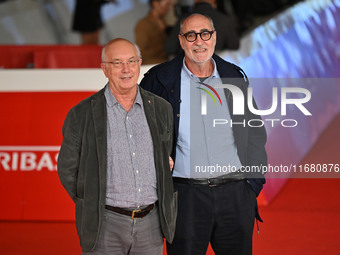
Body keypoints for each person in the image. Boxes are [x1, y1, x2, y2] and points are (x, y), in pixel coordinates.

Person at [140, 14, 267, 255]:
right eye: (191, 35)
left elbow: (255, 133)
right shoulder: (158, 80)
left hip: (235, 194)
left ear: (214, 37)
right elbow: (138, 134)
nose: (199, 41)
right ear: (181, 40)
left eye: (205, 34)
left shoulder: (234, 76)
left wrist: (252, 185)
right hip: (185, 198)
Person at [57, 38, 177, 254]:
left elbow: (165, 155)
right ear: (104, 69)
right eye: (117, 63)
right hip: (104, 226)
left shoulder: (161, 109)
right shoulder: (81, 114)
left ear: (140, 64)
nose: (126, 69)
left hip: (151, 225)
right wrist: (91, 201)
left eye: (131, 61)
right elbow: (67, 169)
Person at [164, 0, 239, 57]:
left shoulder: (183, 20)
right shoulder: (224, 20)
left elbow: (169, 47)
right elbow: (234, 46)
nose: (199, 42)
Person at [135, 0, 173, 65]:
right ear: (155, 3)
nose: (169, 8)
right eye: (167, 4)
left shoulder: (164, 22)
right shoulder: (143, 24)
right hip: (153, 66)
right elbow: (141, 52)